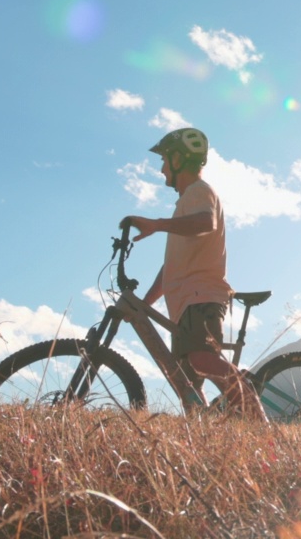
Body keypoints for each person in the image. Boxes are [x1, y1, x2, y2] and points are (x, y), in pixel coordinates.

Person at [124, 127, 266, 421]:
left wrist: (158, 224)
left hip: (200, 295)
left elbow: (206, 222)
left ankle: (259, 423)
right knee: (189, 389)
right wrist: (146, 303)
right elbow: (172, 267)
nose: (162, 168)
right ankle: (206, 439)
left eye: (164, 159)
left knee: (203, 359)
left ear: (179, 159)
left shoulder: (199, 191)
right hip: (186, 303)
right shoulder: (184, 204)